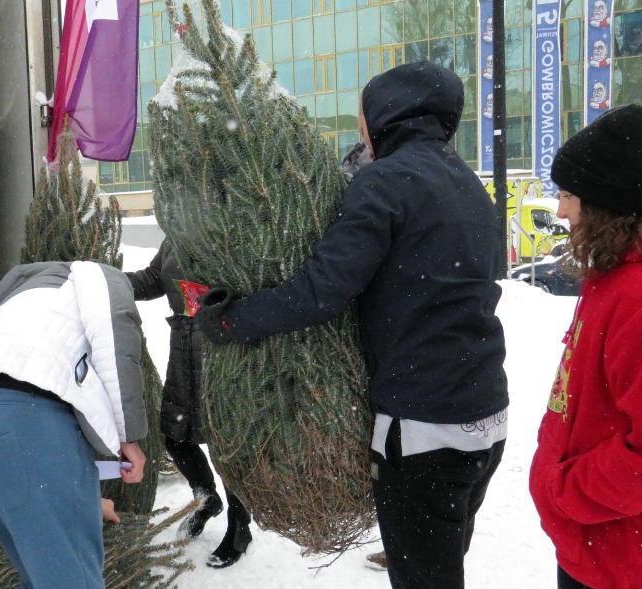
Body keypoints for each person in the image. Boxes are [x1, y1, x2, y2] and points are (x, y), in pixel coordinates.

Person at [195, 61, 509, 589]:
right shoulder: (465, 181)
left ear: (386, 113)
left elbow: (322, 290)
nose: (360, 129)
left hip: (423, 428)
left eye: (362, 115)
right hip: (485, 416)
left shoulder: (386, 181)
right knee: (444, 560)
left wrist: (231, 319)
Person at [530, 104, 642, 589]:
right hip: (607, 545)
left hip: (629, 562)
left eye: (569, 195)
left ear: (603, 202)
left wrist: (562, 491)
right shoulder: (622, 273)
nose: (560, 210)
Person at [0, 261, 148, 589]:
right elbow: (117, 349)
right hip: (20, 420)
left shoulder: (15, 310)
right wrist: (128, 438)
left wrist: (85, 504)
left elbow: (16, 471)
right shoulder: (92, 275)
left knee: (38, 576)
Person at [126, 240, 253, 568]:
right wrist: (109, 281)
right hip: (183, 347)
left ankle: (240, 525)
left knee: (228, 444)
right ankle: (206, 498)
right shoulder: (174, 234)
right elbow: (154, 278)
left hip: (225, 350)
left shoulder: (226, 225)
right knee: (176, 435)